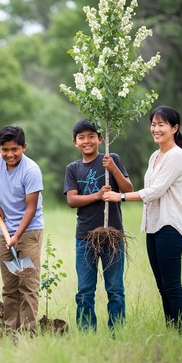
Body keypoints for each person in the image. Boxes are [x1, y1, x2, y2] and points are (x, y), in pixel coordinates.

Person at [103, 106, 182, 332]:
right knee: (162, 287)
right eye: (153, 124)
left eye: (162, 124)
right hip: (153, 227)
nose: (156, 129)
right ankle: (173, 332)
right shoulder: (155, 155)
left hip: (170, 226)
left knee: (172, 287)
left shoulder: (176, 155)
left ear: (175, 128)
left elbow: (154, 191)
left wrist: (120, 196)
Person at [63, 119, 133, 331]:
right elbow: (72, 200)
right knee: (85, 290)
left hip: (112, 234)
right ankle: (86, 333)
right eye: (81, 137)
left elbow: (127, 189)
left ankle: (117, 331)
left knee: (115, 289)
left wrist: (113, 169)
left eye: (91, 136)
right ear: (75, 142)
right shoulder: (73, 168)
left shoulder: (112, 159)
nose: (87, 141)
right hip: (85, 237)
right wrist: (97, 195)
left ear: (100, 139)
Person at [0, 125, 44, 330]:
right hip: (6, 230)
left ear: (24, 147)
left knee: (27, 283)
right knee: (10, 285)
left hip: (28, 231)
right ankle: (10, 328)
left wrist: (17, 235)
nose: (9, 154)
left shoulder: (31, 171)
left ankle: (28, 331)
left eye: (14, 150)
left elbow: (31, 208)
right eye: (5, 150)